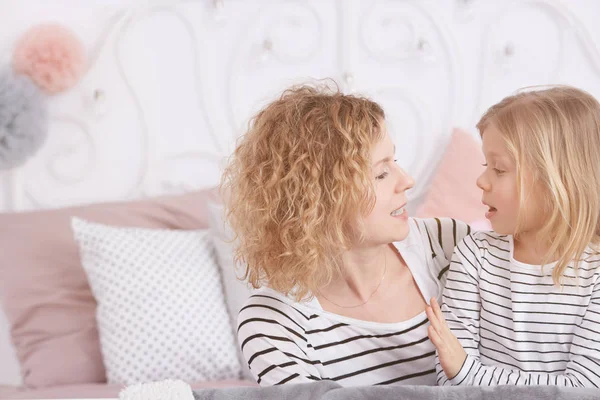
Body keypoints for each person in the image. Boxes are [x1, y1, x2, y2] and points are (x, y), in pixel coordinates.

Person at [221, 83, 470, 386]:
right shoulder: (274, 323)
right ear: (320, 198)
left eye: (395, 161)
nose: (407, 180)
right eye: (381, 173)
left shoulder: (448, 246)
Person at [426, 86, 600, 387]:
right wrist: (459, 371)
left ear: (556, 181)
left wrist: (469, 372)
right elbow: (447, 376)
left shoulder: (594, 273)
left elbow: (584, 388)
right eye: (485, 166)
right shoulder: (474, 255)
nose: (481, 181)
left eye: (499, 169)